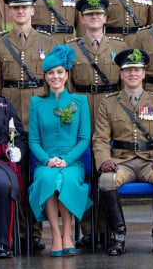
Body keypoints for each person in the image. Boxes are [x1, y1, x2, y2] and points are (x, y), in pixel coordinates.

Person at [0, 0, 56, 251]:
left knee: (35, 177)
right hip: (10, 121)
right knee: (16, 176)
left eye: (24, 7)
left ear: (32, 10)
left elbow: (55, 82)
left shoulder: (48, 41)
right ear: (10, 11)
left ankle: (35, 233)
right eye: (15, 8)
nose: (20, 11)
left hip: (38, 115)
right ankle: (20, 234)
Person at [93, 48, 153, 256]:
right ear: (121, 74)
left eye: (137, 70)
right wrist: (104, 161)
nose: (132, 74)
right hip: (122, 161)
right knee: (106, 180)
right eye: (128, 70)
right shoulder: (109, 102)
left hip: (150, 161)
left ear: (144, 73)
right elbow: (101, 139)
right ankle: (118, 235)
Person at [69, 0, 127, 249]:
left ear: (105, 18)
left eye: (99, 14)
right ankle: (88, 230)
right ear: (81, 19)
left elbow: (127, 82)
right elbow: (68, 85)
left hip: (111, 111)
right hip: (82, 110)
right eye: (89, 14)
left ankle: (109, 229)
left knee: (107, 168)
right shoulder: (71, 48)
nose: (94, 17)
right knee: (85, 174)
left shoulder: (119, 45)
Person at [28, 44, 93, 257]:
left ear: (66, 74)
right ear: (45, 77)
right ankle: (55, 235)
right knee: (48, 179)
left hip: (73, 162)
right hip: (45, 161)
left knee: (65, 179)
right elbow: (34, 140)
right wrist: (48, 159)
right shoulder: (36, 103)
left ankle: (67, 234)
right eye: (50, 73)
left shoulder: (80, 101)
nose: (55, 77)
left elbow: (84, 139)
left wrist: (66, 160)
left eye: (59, 72)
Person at [0, 54, 28, 258]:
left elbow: (19, 134)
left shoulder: (2, 104)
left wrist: (17, 151)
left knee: (4, 185)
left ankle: (2, 243)